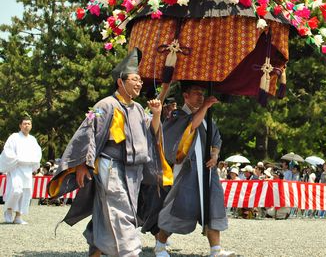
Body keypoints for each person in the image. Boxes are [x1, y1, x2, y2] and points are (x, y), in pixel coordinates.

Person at [48, 48, 166, 257]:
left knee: (107, 214)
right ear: (121, 82)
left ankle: (96, 250)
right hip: (110, 167)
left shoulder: (138, 109)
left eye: (140, 80)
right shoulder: (104, 105)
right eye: (134, 79)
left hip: (133, 173)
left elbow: (151, 134)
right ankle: (131, 252)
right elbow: (87, 132)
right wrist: (83, 164)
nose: (139, 83)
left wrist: (156, 114)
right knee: (120, 214)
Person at [153, 81, 234, 257]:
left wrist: (214, 156)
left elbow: (216, 139)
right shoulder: (176, 115)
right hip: (186, 169)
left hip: (207, 170)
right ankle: (160, 245)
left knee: (213, 206)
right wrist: (205, 107)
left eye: (202, 93)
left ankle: (216, 249)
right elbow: (191, 126)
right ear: (186, 96)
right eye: (196, 93)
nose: (201, 96)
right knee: (178, 206)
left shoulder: (207, 117)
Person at [0, 117, 42, 224]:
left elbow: (37, 153)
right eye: (24, 123)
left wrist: (33, 163)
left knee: (25, 192)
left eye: (28, 123)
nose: (26, 125)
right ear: (20, 125)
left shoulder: (33, 139)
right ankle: (8, 210)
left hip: (27, 169)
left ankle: (18, 216)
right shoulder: (14, 137)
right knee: (15, 190)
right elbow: (7, 151)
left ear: (31, 126)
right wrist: (16, 159)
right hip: (16, 167)